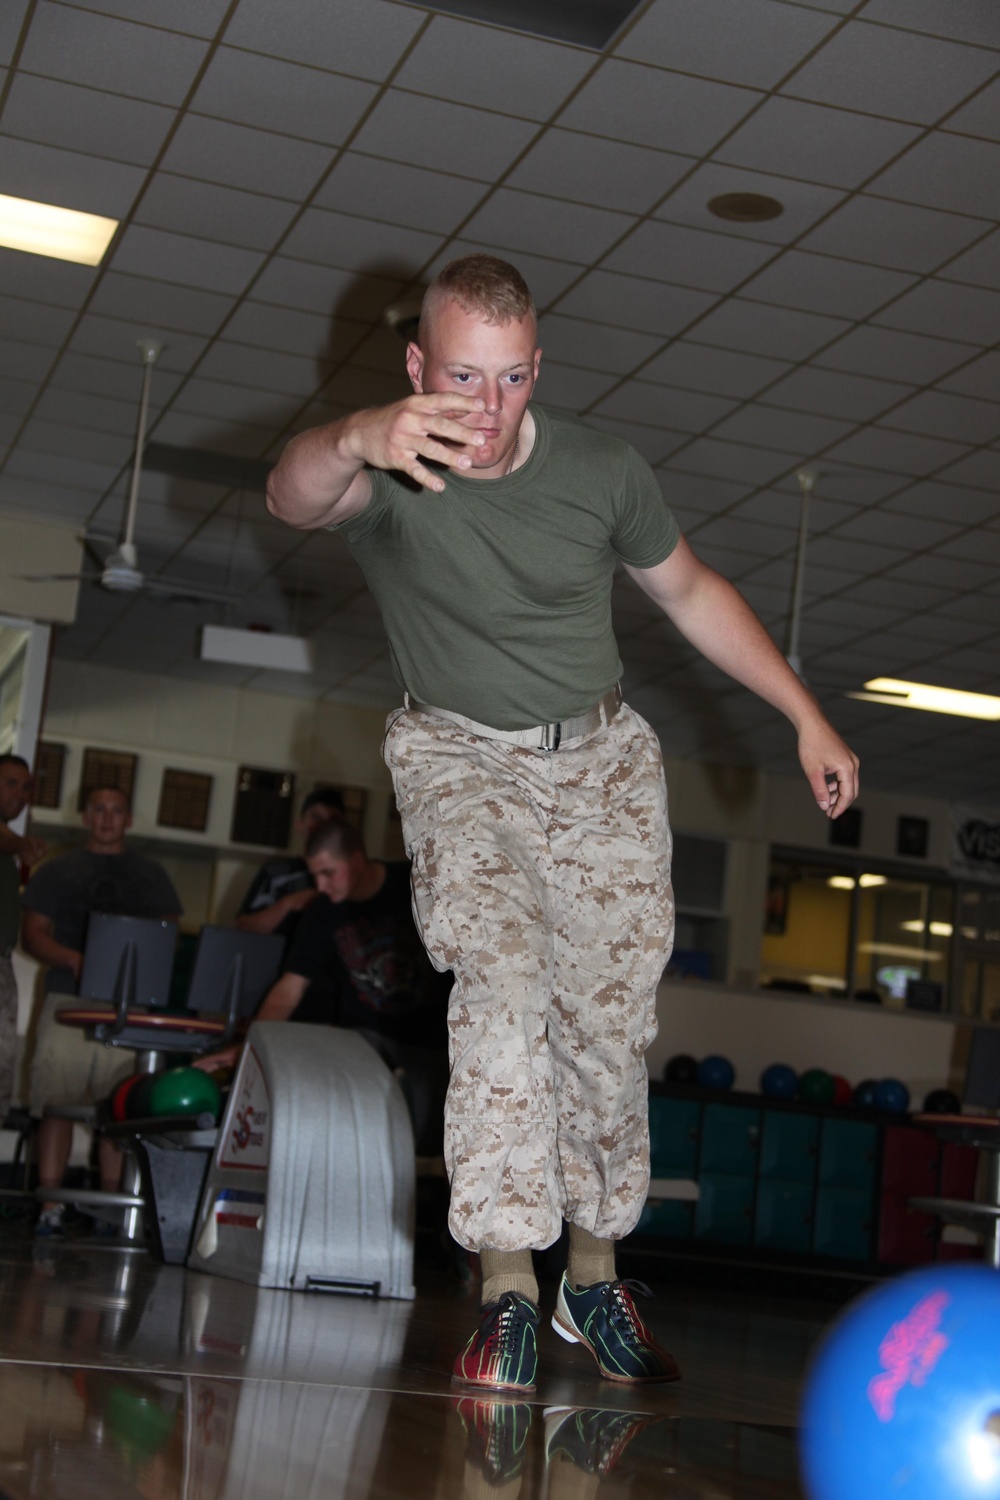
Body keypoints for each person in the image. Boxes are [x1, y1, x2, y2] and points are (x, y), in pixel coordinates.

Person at [265, 254, 860, 1393]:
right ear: (415, 367)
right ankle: (503, 1288)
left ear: (538, 370)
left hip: (599, 767)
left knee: (606, 1022)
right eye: (457, 378)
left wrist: (806, 719)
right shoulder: (391, 461)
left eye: (509, 381)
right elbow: (289, 494)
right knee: (497, 978)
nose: (482, 412)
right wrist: (355, 436)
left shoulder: (602, 471)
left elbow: (687, 590)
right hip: (457, 756)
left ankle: (593, 1274)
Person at [200, 818, 450, 1154]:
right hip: (363, 1039)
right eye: (314, 874)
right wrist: (251, 1049)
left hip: (429, 1038)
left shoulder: (417, 887)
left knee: (430, 1145)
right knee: (348, 1129)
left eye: (328, 873)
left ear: (358, 860)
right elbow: (289, 989)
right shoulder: (322, 912)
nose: (319, 885)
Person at [21, 784, 182, 1236]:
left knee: (118, 1108)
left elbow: (169, 935)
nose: (108, 819)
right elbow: (33, 933)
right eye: (99, 810)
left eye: (116, 811)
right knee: (55, 1103)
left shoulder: (152, 875)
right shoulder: (57, 871)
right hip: (67, 999)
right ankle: (50, 1207)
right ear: (86, 817)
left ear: (129, 819)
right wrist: (74, 959)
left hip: (125, 1005)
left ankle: (107, 1208)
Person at [235, 785, 345, 942]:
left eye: (332, 820)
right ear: (300, 824)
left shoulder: (348, 875)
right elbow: (242, 927)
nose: (323, 827)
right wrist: (288, 904)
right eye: (316, 818)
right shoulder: (276, 870)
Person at [0, 754, 46, 1122]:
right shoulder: (7, 841)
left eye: (25, 785)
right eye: (10, 782)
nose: (19, 793)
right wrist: (19, 844)